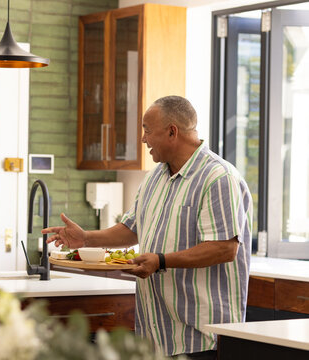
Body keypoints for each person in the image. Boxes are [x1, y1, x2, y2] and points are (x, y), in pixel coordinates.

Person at [43, 96, 252, 359]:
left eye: (147, 130)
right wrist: (85, 238)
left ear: (172, 131)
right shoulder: (155, 177)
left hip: (202, 338)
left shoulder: (219, 178)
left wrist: (161, 261)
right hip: (157, 338)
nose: (143, 139)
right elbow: (131, 229)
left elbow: (224, 249)